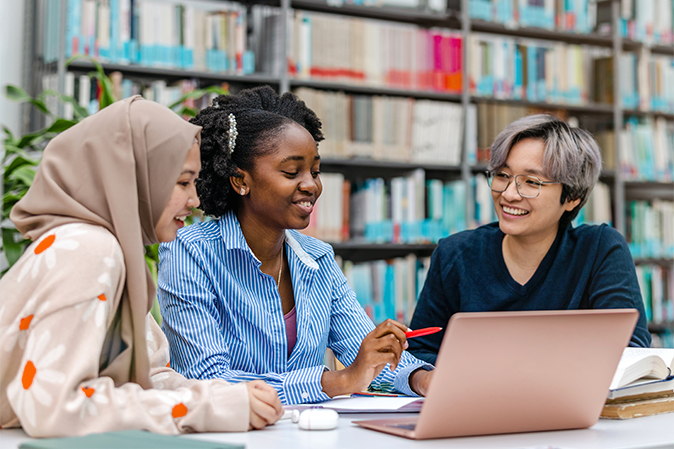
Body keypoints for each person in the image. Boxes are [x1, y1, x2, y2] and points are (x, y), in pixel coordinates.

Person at [0, 96, 282, 437]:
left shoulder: (113, 251)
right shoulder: (90, 249)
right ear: (132, 178)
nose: (194, 202)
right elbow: (56, 408)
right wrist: (209, 408)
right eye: (181, 182)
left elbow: (148, 376)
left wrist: (227, 398)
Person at [157, 86, 434, 405]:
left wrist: (422, 379)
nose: (311, 185)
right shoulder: (189, 251)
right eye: (291, 172)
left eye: (315, 172)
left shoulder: (319, 258)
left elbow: (364, 355)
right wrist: (338, 380)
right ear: (240, 181)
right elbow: (208, 379)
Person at [407, 114, 651, 365]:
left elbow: (629, 349)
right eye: (502, 175)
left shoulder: (600, 249)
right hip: (476, 402)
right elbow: (420, 351)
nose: (509, 194)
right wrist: (425, 378)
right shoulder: (455, 254)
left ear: (572, 198)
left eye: (531, 182)